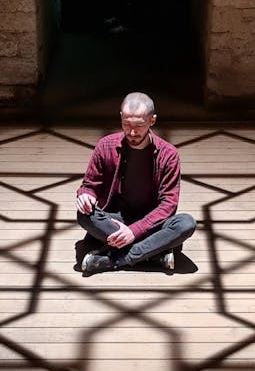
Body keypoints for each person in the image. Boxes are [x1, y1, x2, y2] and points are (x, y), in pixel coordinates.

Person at [75, 91, 196, 276]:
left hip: (153, 222)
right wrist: (85, 196)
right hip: (116, 218)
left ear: (152, 120)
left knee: (185, 223)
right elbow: (89, 185)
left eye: (139, 126)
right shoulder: (105, 146)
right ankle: (154, 254)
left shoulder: (169, 154)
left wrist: (134, 231)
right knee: (84, 215)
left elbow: (168, 205)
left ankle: (117, 259)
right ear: (121, 118)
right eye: (126, 125)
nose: (132, 132)